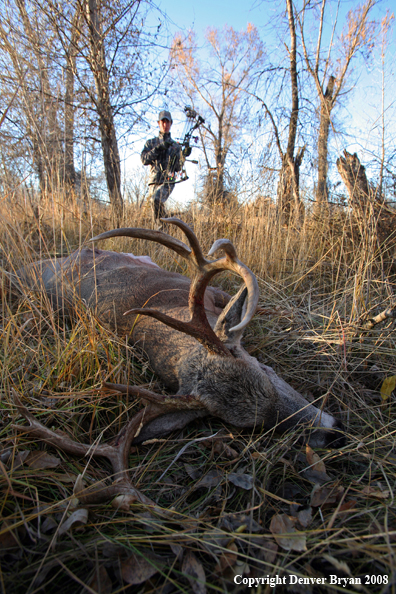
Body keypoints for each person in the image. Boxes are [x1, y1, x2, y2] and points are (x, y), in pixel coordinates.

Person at [141, 110, 191, 228]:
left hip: (168, 181)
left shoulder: (175, 146)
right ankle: (164, 231)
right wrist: (159, 148)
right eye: (163, 122)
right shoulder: (151, 143)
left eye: (167, 122)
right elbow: (144, 159)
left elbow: (178, 167)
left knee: (156, 200)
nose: (165, 125)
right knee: (155, 213)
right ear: (158, 123)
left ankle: (164, 230)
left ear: (171, 124)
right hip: (154, 181)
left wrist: (184, 155)